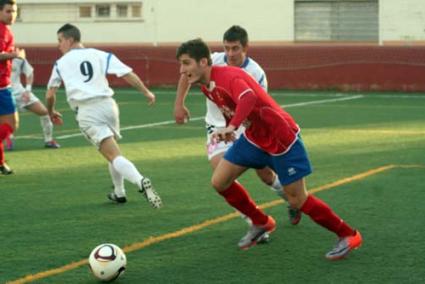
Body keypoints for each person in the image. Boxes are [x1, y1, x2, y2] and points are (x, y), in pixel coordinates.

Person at [176, 38, 362, 259]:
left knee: (297, 200)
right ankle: (261, 222)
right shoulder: (207, 85)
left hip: (281, 139)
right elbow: (232, 105)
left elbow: (248, 97)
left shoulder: (228, 76)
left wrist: (232, 126)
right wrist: (231, 126)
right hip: (254, 138)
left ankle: (348, 235)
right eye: (181, 64)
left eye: (186, 63)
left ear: (203, 62)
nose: (182, 69)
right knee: (219, 181)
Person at [174, 26, 301, 229]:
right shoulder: (211, 60)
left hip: (245, 127)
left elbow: (255, 106)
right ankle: (255, 220)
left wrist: (236, 127)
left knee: (266, 175)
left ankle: (290, 199)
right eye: (227, 48)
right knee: (221, 176)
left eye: (235, 49)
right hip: (216, 127)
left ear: (245, 48)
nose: (230, 54)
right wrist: (179, 103)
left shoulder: (256, 73)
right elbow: (186, 74)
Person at [45, 23, 162, 208]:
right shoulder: (100, 54)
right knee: (114, 153)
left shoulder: (61, 63)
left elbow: (50, 94)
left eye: (60, 41)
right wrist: (146, 92)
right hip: (109, 106)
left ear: (69, 39)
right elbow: (127, 73)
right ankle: (119, 192)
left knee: (113, 155)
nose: (58, 45)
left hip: (87, 111)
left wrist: (51, 112)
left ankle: (141, 181)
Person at [5, 57, 60, 150]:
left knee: (44, 112)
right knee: (7, 120)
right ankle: (8, 139)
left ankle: (49, 140)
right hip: (3, 92)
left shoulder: (18, 57)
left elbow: (29, 73)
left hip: (19, 92)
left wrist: (28, 90)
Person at [0, 0, 25, 175]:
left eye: (14, 11)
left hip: (4, 84)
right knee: (12, 124)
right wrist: (15, 55)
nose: (12, 14)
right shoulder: (1, 30)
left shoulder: (7, 30)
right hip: (1, 87)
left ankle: (0, 163)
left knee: (5, 125)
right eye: (8, 11)